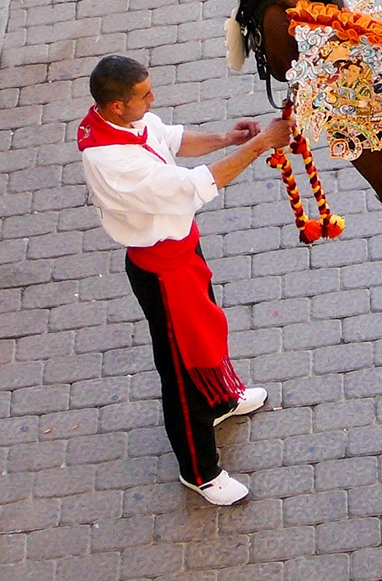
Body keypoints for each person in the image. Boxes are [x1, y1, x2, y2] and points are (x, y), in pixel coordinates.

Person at [77, 55, 292, 506]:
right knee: (180, 369)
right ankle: (199, 470)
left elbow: (171, 138)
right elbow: (198, 185)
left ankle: (218, 400)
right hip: (162, 271)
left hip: (180, 252)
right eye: (144, 96)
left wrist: (224, 138)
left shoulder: (122, 123)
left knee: (206, 338)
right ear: (116, 105)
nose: (152, 100)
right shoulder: (113, 160)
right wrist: (260, 146)